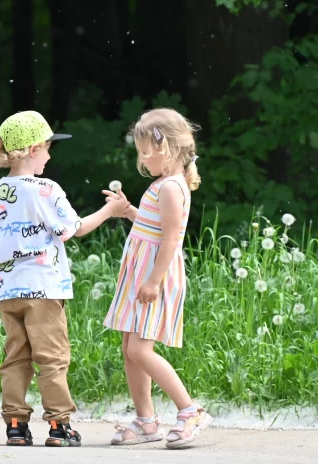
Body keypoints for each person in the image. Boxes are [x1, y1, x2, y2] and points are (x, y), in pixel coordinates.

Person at [0, 111, 129, 447]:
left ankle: (16, 425)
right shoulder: (46, 189)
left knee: (16, 356)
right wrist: (111, 211)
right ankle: (59, 426)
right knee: (51, 358)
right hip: (43, 289)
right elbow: (73, 229)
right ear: (33, 149)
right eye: (48, 149)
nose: (49, 157)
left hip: (7, 289)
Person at [102, 108, 211, 449]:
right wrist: (130, 212)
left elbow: (170, 239)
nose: (142, 160)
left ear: (168, 148)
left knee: (139, 349)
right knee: (129, 348)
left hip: (155, 275)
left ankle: (190, 410)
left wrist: (153, 281)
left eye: (146, 152)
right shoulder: (163, 185)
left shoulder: (171, 188)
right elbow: (153, 227)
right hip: (142, 273)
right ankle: (146, 421)